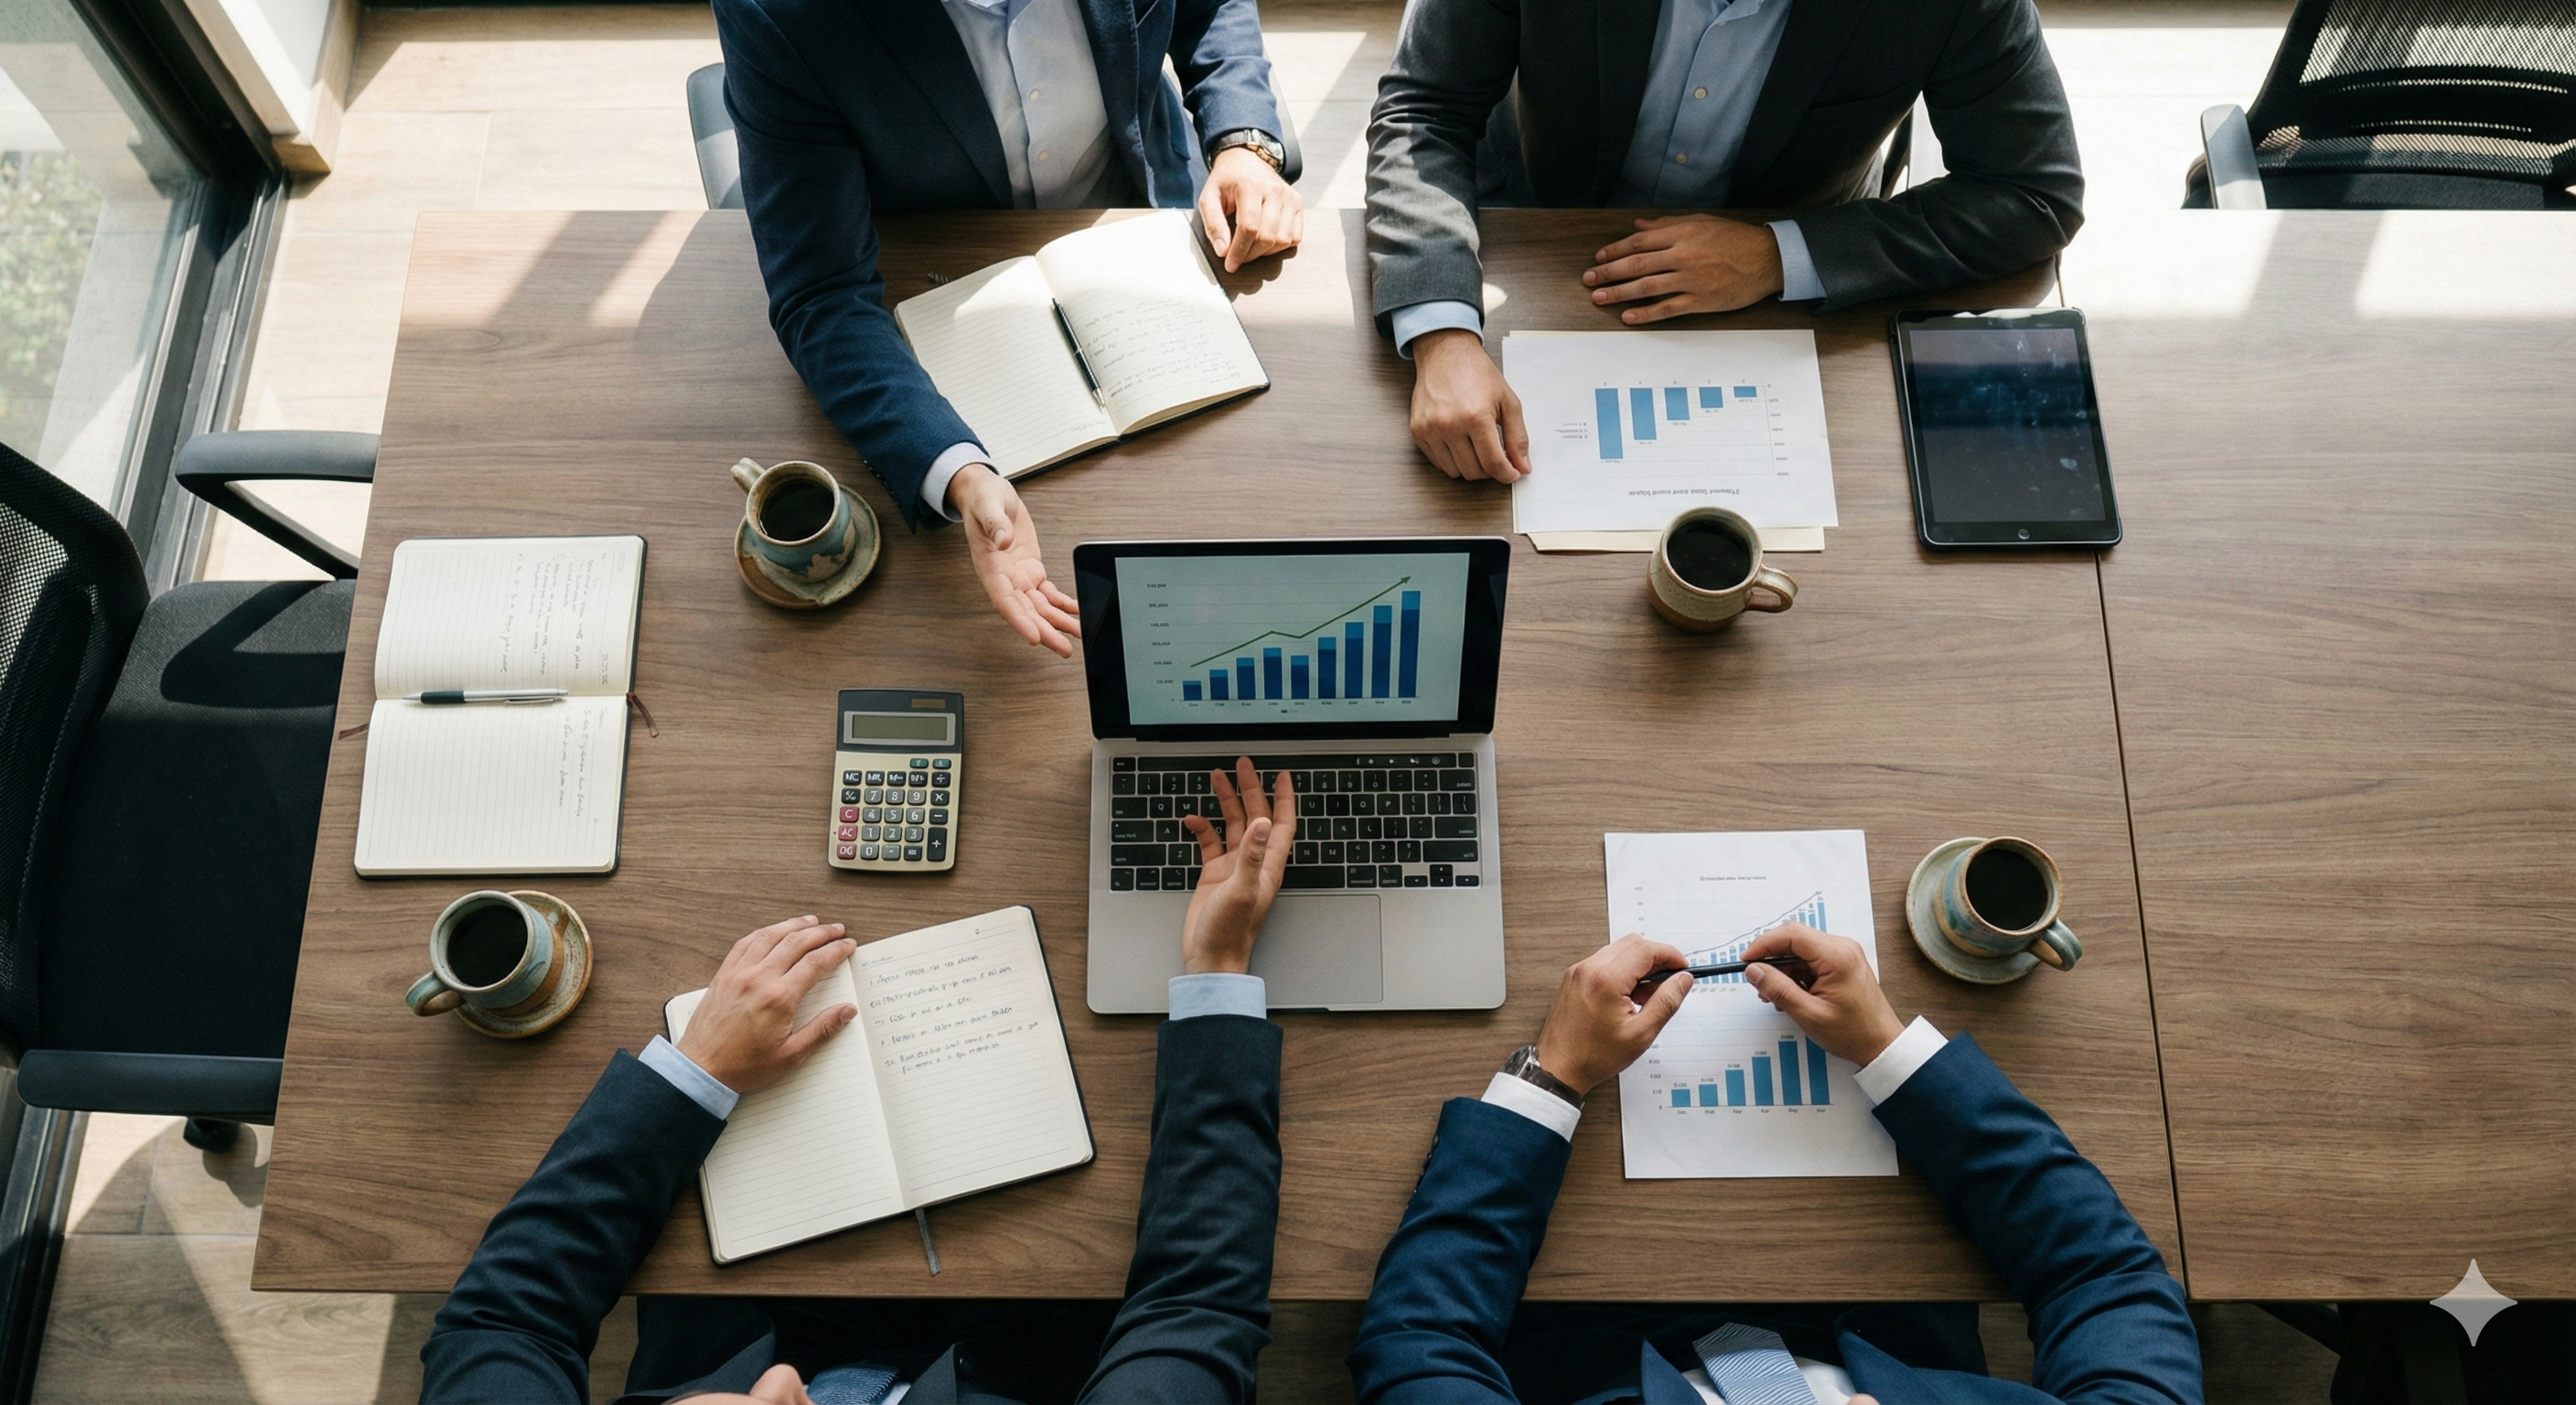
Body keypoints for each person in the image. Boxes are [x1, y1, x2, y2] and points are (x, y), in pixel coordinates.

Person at [420, 759, 1299, 1403]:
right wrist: (1217, 972)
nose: (781, 1389)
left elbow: (505, 1321)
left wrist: (695, 1070)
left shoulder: (765, 1376)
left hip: (742, 1307)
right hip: (1030, 1349)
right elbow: (1196, 1304)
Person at [1346, 922, 2203, 1404]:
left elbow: (1421, 1342)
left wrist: (1554, 1076)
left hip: (1573, 1322)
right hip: (1897, 1306)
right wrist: (1890, 1048)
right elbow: (2104, 1279)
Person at [714, 0, 1307, 657]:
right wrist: (960, 473)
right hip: (938, 270)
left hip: (1146, 216)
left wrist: (1243, 142)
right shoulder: (778, 13)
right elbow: (820, 292)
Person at [1366, 0, 2085, 485]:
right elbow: (1422, 110)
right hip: (1528, 226)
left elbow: (2033, 192)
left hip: (1785, 300)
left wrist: (1779, 254)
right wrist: (1442, 332)